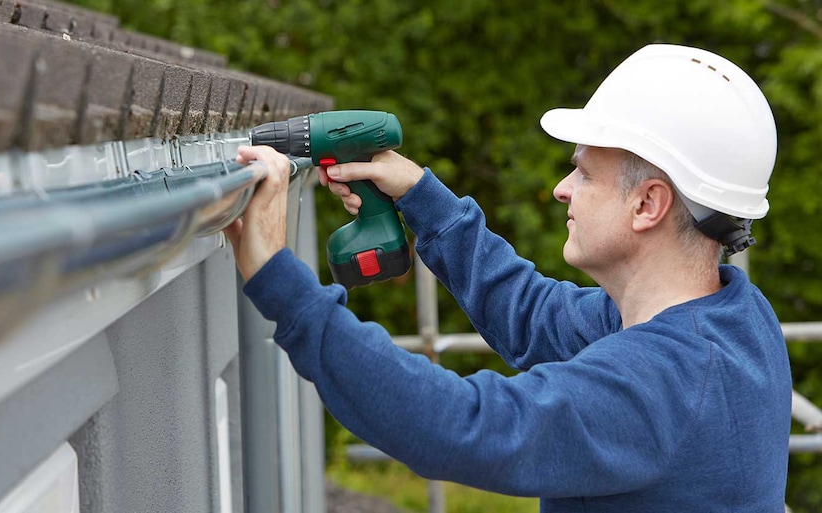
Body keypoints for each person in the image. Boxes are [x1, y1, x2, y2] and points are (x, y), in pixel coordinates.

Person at [225, 44, 792, 512]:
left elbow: (457, 427)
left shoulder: (661, 383)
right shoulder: (732, 318)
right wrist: (422, 197)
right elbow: (534, 317)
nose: (562, 189)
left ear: (648, 204)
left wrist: (280, 279)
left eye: (584, 172)